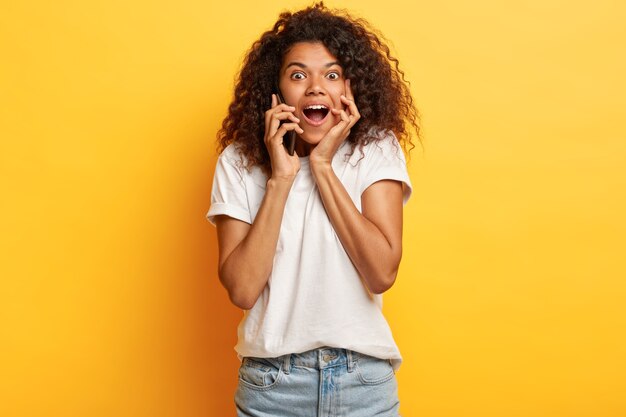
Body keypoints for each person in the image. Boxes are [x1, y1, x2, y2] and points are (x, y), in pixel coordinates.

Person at [206, 2, 420, 416]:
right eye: (298, 74)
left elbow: (381, 273)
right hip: (271, 387)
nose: (316, 87)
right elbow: (242, 288)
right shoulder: (239, 161)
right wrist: (282, 179)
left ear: (349, 89)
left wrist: (322, 165)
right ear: (277, 90)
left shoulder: (374, 150)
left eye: (332, 74)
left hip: (363, 383)